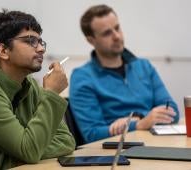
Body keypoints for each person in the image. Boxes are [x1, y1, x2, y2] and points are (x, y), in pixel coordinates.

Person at [0, 10, 76, 169]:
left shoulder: (30, 84)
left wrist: (21, 155)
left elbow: (66, 141)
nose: (41, 49)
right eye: (30, 41)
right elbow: (29, 150)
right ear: (3, 51)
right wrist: (51, 94)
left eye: (40, 41)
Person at [69, 4, 179, 143]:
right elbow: (92, 133)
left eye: (117, 28)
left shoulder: (144, 66)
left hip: (154, 143)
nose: (116, 36)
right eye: (107, 33)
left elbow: (172, 111)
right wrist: (138, 124)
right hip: (115, 152)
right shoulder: (82, 77)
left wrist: (139, 117)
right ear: (91, 40)